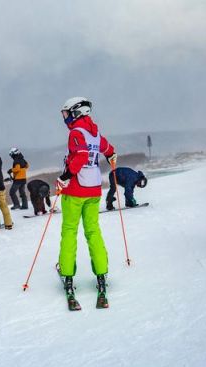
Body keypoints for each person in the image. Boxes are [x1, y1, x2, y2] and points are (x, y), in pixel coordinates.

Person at [56, 97, 116, 306]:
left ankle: (67, 274)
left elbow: (80, 156)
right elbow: (110, 150)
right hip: (94, 190)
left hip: (75, 191)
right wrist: (111, 158)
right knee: (93, 231)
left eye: (66, 114)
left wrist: (64, 177)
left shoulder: (76, 133)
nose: (64, 118)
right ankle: (101, 272)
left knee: (70, 231)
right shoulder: (95, 133)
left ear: (76, 112)